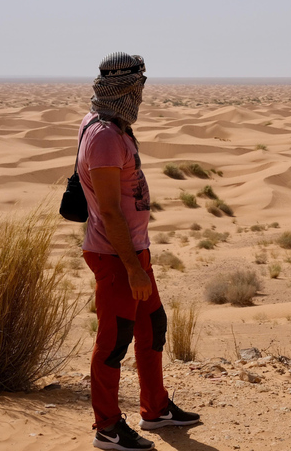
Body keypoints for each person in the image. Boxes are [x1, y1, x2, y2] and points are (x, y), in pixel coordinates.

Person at [78, 52, 200, 451]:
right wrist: (132, 268)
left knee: (153, 326)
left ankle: (156, 409)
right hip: (116, 257)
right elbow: (110, 210)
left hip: (132, 253)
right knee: (114, 341)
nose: (143, 96)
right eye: (140, 87)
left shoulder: (113, 127)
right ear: (128, 88)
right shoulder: (105, 137)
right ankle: (107, 428)